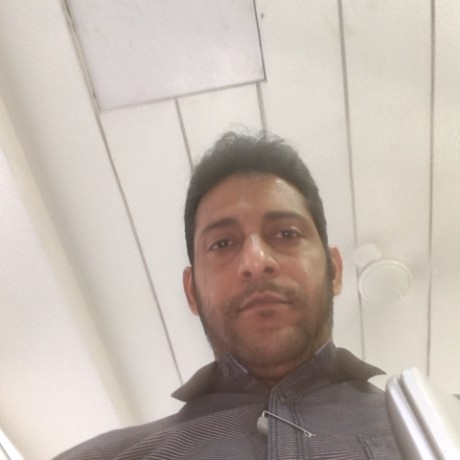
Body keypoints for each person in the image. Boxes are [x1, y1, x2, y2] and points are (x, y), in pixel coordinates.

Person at [55, 132, 401, 459]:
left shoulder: (429, 423)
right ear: (192, 292)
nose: (256, 261)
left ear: (334, 270)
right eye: (222, 243)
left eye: (286, 234)